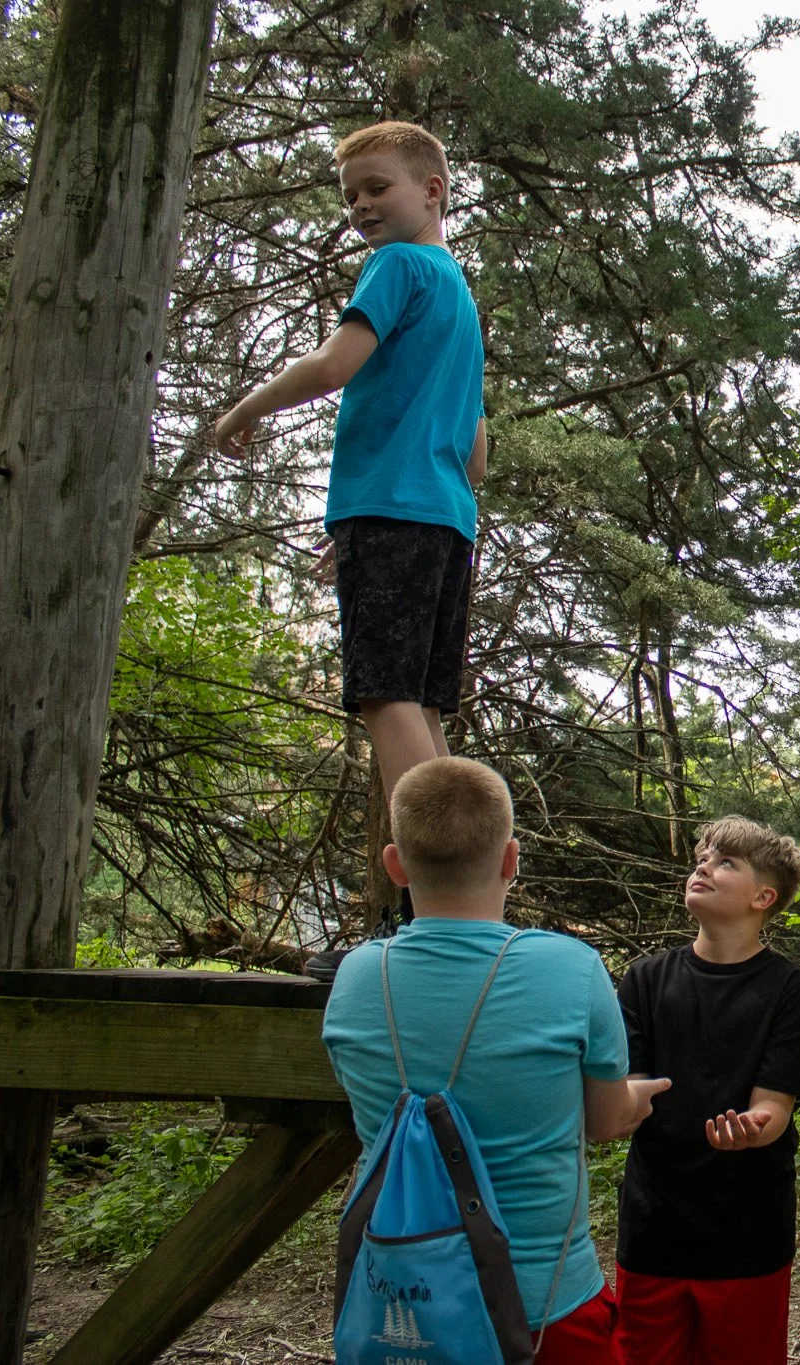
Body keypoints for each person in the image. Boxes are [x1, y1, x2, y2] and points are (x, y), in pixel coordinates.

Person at [210, 120, 488, 974]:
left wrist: (243, 410)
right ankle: (465, 909)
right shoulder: (458, 293)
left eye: (377, 187)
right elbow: (477, 450)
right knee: (423, 710)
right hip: (441, 518)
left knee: (387, 698)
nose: (362, 205)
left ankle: (433, 917)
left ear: (432, 192)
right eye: (351, 195)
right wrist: (382, 525)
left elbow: (337, 365)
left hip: (395, 511)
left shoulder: (398, 266)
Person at [321, 757, 668, 1363]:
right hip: (546, 1309)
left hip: (402, 1302)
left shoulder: (354, 975)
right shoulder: (572, 967)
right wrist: (642, 1094)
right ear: (511, 860)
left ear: (395, 865)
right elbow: (606, 1121)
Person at [612, 817, 800, 1365]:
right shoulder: (644, 980)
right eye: (702, 858)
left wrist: (754, 1130)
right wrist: (616, 1108)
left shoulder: (790, 988)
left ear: (763, 897)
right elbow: (629, 1091)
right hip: (653, 1229)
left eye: (726, 862)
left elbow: (773, 1107)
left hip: (748, 1234)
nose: (703, 866)